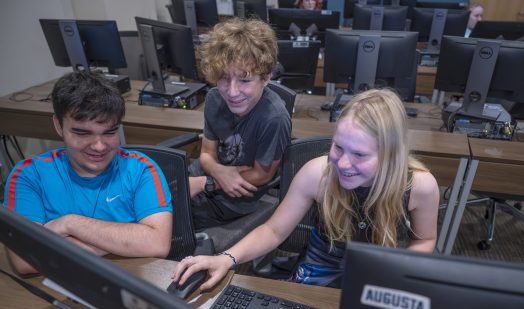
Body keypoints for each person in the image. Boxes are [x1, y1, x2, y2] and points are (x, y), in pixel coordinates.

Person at [173, 88, 440, 289]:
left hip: (383, 267)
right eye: (338, 147)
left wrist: (399, 271)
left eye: (360, 154)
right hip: (323, 260)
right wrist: (227, 258)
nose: (343, 163)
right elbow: (273, 230)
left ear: (391, 155)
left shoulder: (419, 185)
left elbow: (425, 240)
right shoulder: (318, 173)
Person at [3, 71, 173, 275]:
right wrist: (120, 242)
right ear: (58, 125)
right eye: (83, 133)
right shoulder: (29, 175)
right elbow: (24, 259)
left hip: (129, 282)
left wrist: (69, 224)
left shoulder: (141, 169)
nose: (99, 147)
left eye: (110, 133)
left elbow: (157, 244)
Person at [188, 17, 292, 230]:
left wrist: (207, 183)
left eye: (244, 80)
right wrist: (218, 171)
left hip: (236, 197)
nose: (232, 92)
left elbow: (263, 174)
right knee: (143, 195)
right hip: (207, 175)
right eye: (224, 78)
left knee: (167, 217)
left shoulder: (274, 117)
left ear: (265, 78)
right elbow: (207, 154)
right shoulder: (214, 98)